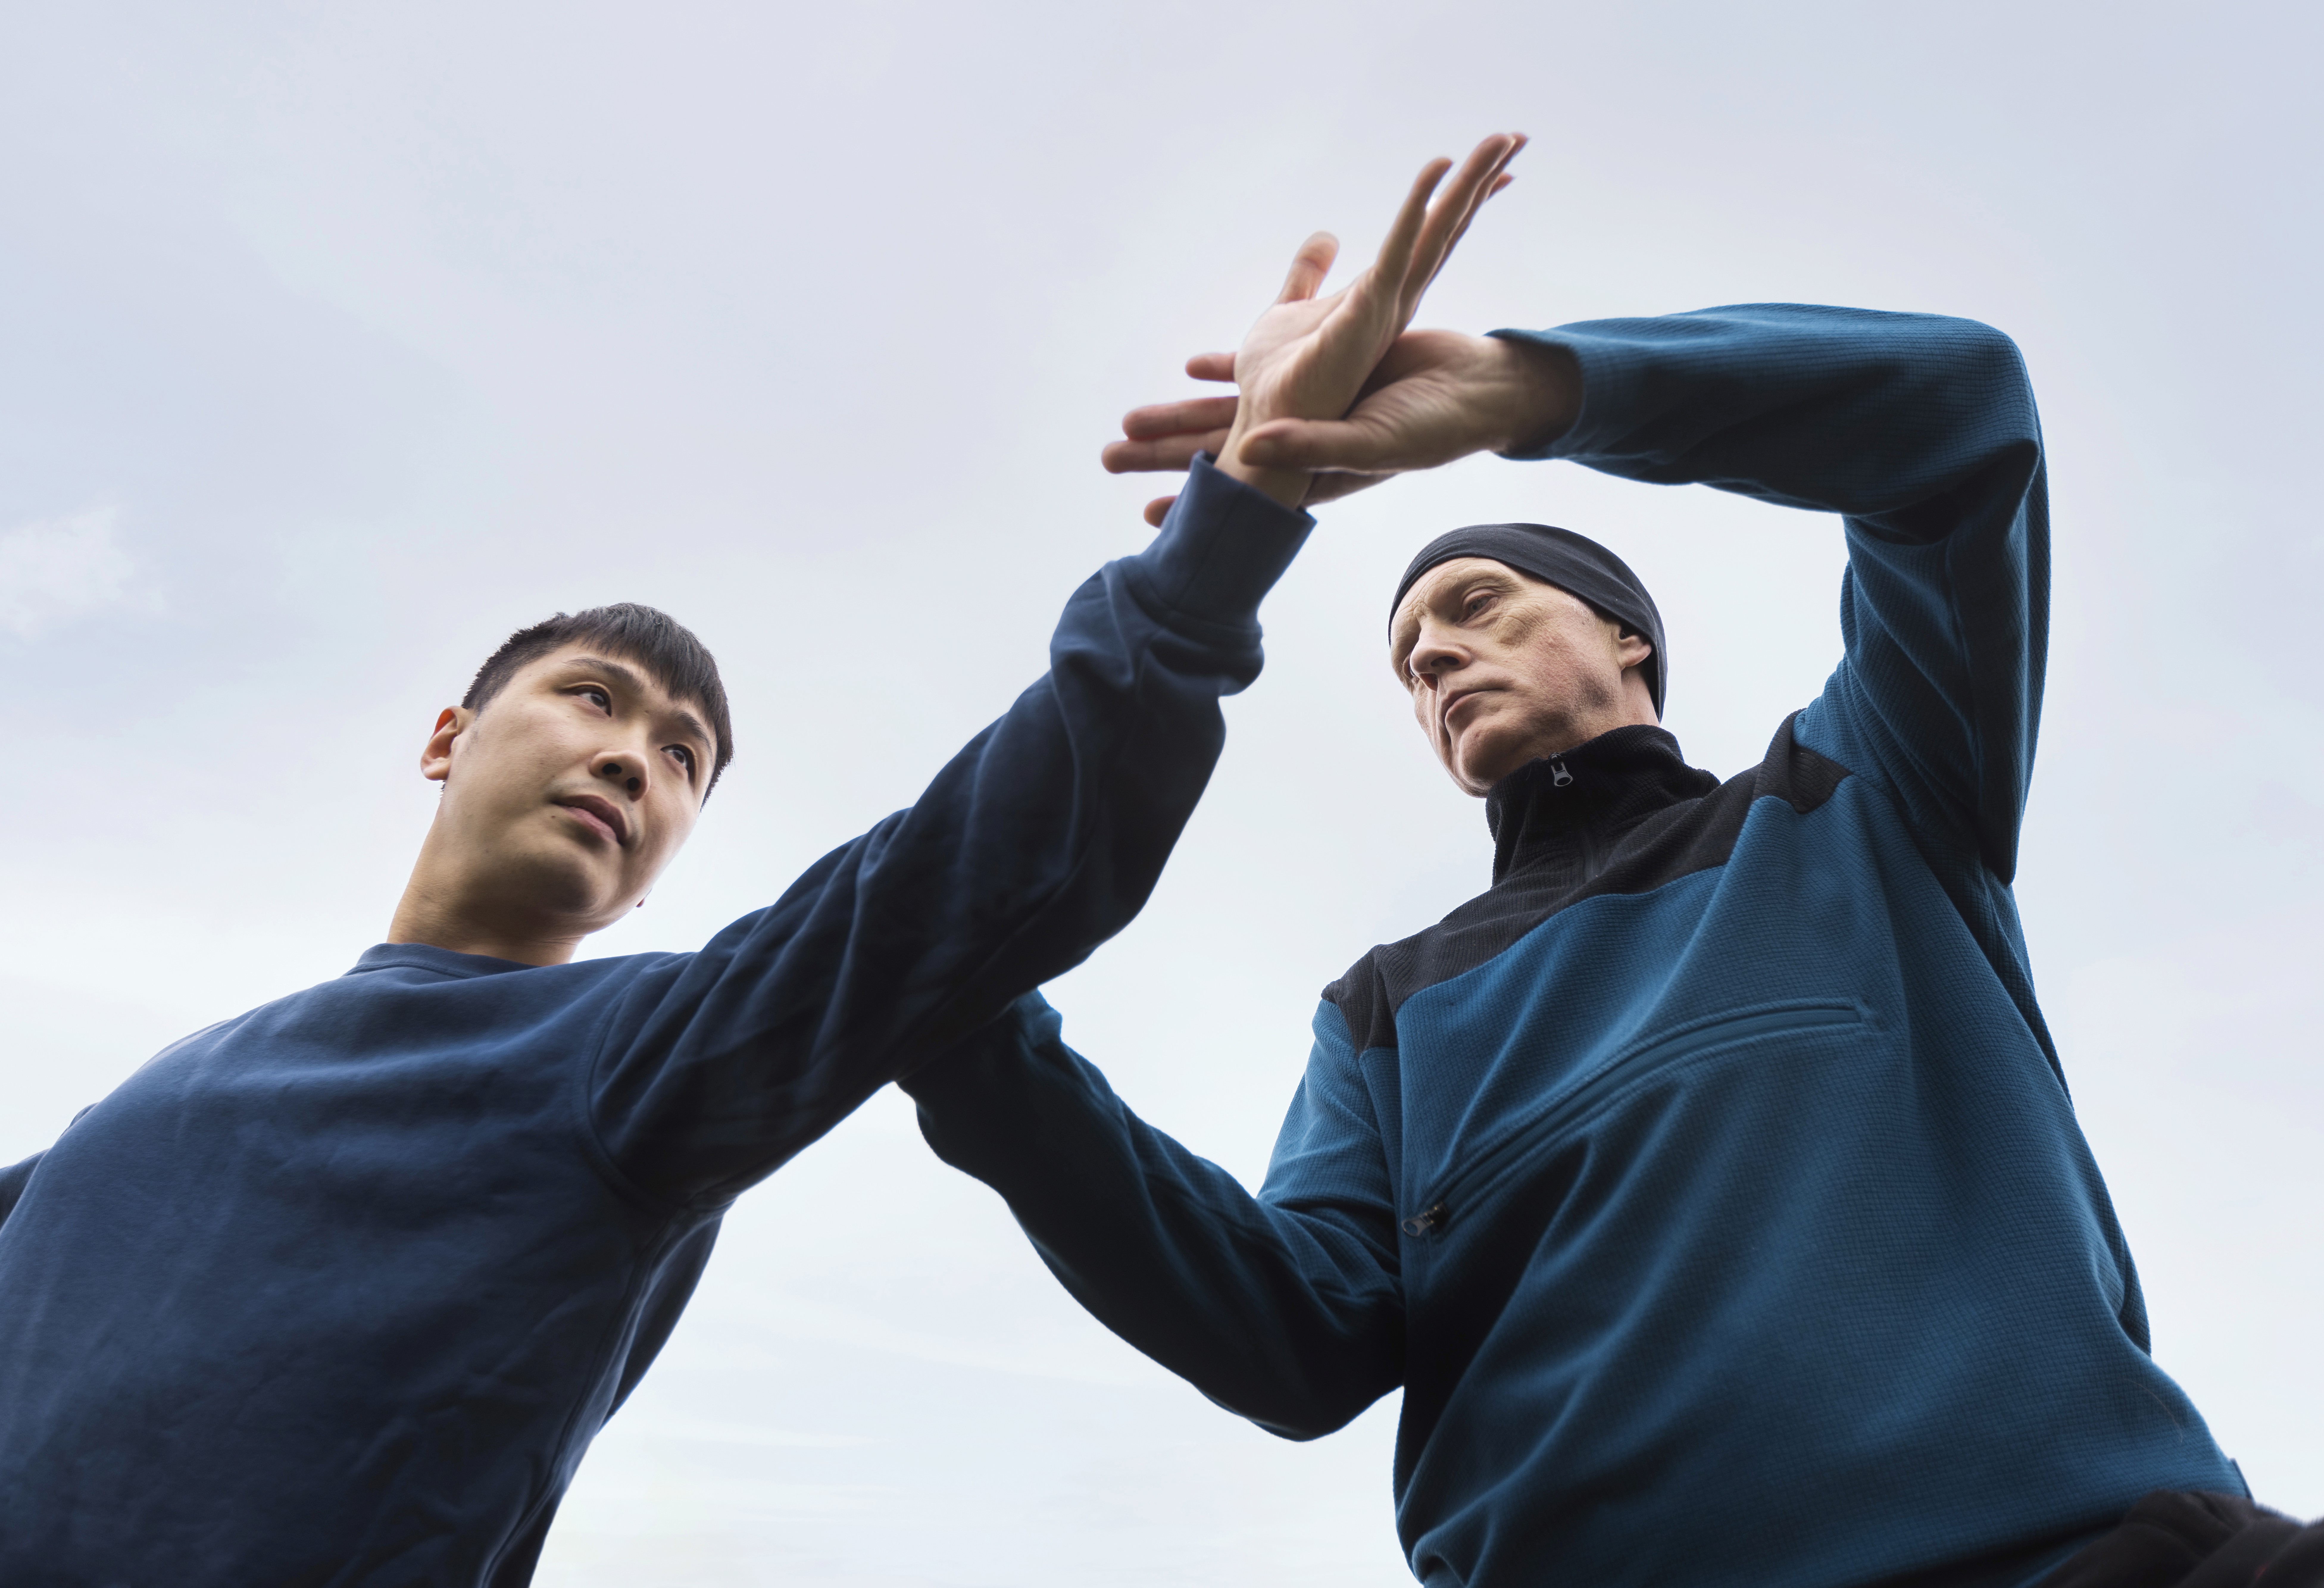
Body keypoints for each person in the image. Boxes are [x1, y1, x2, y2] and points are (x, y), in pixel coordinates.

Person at [0, 134, 1529, 1585]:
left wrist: (1237, 510)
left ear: (659, 864)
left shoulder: (633, 1059)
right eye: (595, 699)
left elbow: (986, 867)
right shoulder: (139, 1107)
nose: (639, 754)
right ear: (448, 734)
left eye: (687, 757)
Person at [901, 298, 2324, 1585]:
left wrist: (1529, 394)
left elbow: (1961, 419)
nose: (1436, 660)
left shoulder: (1863, 799)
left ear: (1628, 640)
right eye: (1409, 660)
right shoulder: (1387, 1008)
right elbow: (1292, 1334)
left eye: (1474, 607)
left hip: (2070, 1558)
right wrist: (976, 1048)